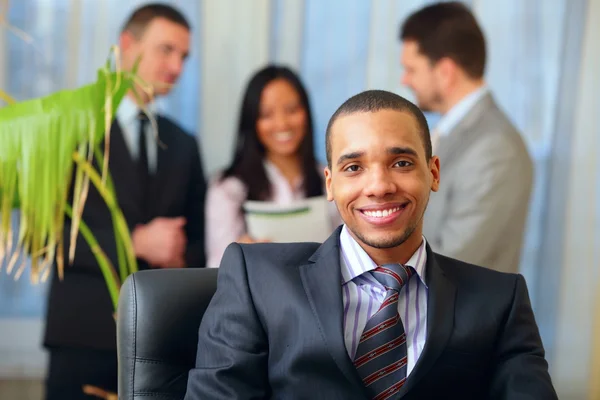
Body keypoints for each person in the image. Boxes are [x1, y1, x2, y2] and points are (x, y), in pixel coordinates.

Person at [184, 90, 556, 399]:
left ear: (434, 173)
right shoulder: (256, 278)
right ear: (329, 184)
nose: (379, 186)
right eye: (353, 168)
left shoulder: (500, 299)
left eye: (402, 163)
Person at [43, 4, 206, 399]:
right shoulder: (69, 127)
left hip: (162, 339)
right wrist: (133, 242)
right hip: (83, 335)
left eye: (183, 57)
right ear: (127, 46)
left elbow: (199, 241)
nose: (176, 67)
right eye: (165, 50)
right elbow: (43, 234)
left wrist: (180, 255)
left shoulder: (184, 144)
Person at [400, 2, 533, 273]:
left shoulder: (495, 148)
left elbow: (452, 261)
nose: (405, 80)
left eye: (412, 69)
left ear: (445, 72)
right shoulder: (452, 132)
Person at [205, 65, 339, 268]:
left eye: (292, 110)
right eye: (267, 114)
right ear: (252, 121)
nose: (282, 124)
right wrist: (238, 257)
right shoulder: (228, 187)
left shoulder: (329, 180)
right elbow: (215, 268)